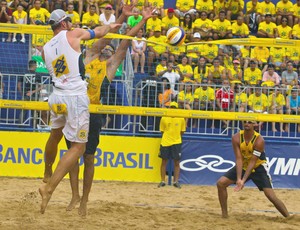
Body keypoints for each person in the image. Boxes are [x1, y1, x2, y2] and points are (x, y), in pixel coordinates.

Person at [65, 5, 155, 216]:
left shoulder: (110, 67)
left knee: (88, 158)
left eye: (110, 50)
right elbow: (106, 38)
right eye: (105, 48)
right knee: (71, 157)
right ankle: (74, 195)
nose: (107, 49)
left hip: (93, 114)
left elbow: (124, 42)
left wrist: (143, 20)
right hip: (75, 111)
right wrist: (123, 15)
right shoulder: (88, 57)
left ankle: (84, 200)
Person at [39, 9, 120, 214]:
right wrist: (111, 26)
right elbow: (99, 33)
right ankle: (49, 188)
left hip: (57, 96)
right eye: (69, 21)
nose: (72, 24)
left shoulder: (46, 48)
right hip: (75, 96)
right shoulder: (72, 34)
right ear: (64, 23)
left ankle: (47, 172)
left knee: (55, 135)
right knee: (78, 148)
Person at [216, 120, 290, 218]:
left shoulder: (259, 140)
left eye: (250, 122)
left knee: (270, 196)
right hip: (244, 165)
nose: (247, 123)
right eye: (245, 122)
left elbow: (253, 162)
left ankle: (288, 217)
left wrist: (243, 180)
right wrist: (238, 179)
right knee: (221, 183)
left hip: (258, 167)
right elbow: (239, 159)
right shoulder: (236, 137)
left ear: (255, 125)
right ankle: (224, 215)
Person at [158, 101, 186, 188]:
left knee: (177, 162)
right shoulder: (164, 118)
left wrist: (175, 138)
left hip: (176, 142)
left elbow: (182, 131)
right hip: (165, 142)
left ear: (177, 109)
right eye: (171, 108)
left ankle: (175, 181)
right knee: (164, 162)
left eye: (174, 108)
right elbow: (162, 131)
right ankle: (162, 181)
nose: (172, 109)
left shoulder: (181, 118)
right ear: (169, 108)